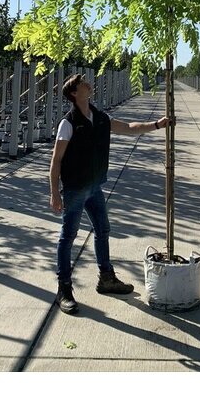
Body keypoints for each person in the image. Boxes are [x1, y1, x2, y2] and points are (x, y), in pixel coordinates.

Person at [50, 72, 168, 314]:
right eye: (81, 83)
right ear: (74, 93)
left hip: (94, 187)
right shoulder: (68, 123)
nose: (87, 84)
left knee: (102, 230)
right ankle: (64, 288)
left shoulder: (100, 118)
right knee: (68, 237)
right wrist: (54, 192)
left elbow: (128, 128)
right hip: (74, 189)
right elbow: (56, 160)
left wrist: (157, 125)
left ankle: (106, 278)